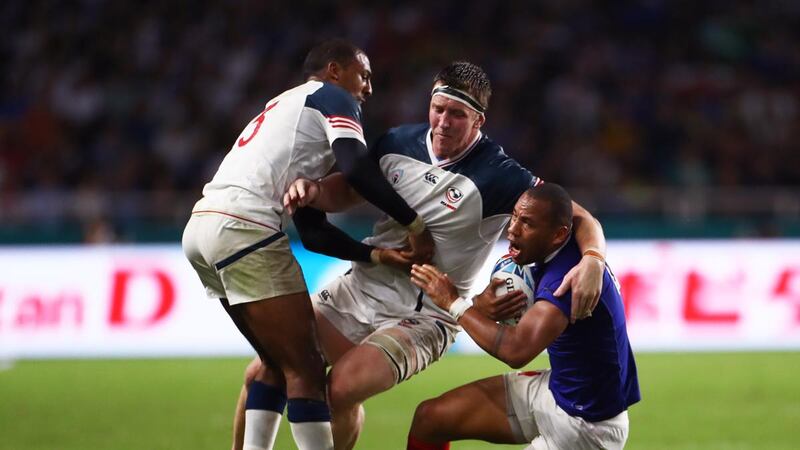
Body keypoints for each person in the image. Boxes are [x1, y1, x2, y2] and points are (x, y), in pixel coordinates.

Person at [235, 61, 609, 450]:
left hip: (427, 315)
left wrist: (593, 259)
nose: (443, 122)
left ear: (478, 120)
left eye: (457, 115)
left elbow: (578, 216)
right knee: (263, 371)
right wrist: (311, 190)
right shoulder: (397, 143)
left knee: (339, 391)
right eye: (438, 109)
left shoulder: (500, 174)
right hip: (361, 287)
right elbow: (345, 191)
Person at [181, 38, 435, 450]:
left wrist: (376, 254)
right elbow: (355, 168)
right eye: (364, 76)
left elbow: (312, 231)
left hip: (203, 228)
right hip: (247, 229)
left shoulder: (287, 107)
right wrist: (415, 224)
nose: (369, 89)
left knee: (275, 365)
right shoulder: (331, 96)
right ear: (335, 71)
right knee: (308, 371)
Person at [408, 183, 640, 450]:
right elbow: (584, 217)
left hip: (584, 429)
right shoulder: (567, 243)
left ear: (557, 235)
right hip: (556, 391)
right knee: (431, 419)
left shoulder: (564, 282)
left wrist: (453, 301)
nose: (512, 229)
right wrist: (480, 306)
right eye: (515, 216)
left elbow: (515, 350)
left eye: (526, 223)